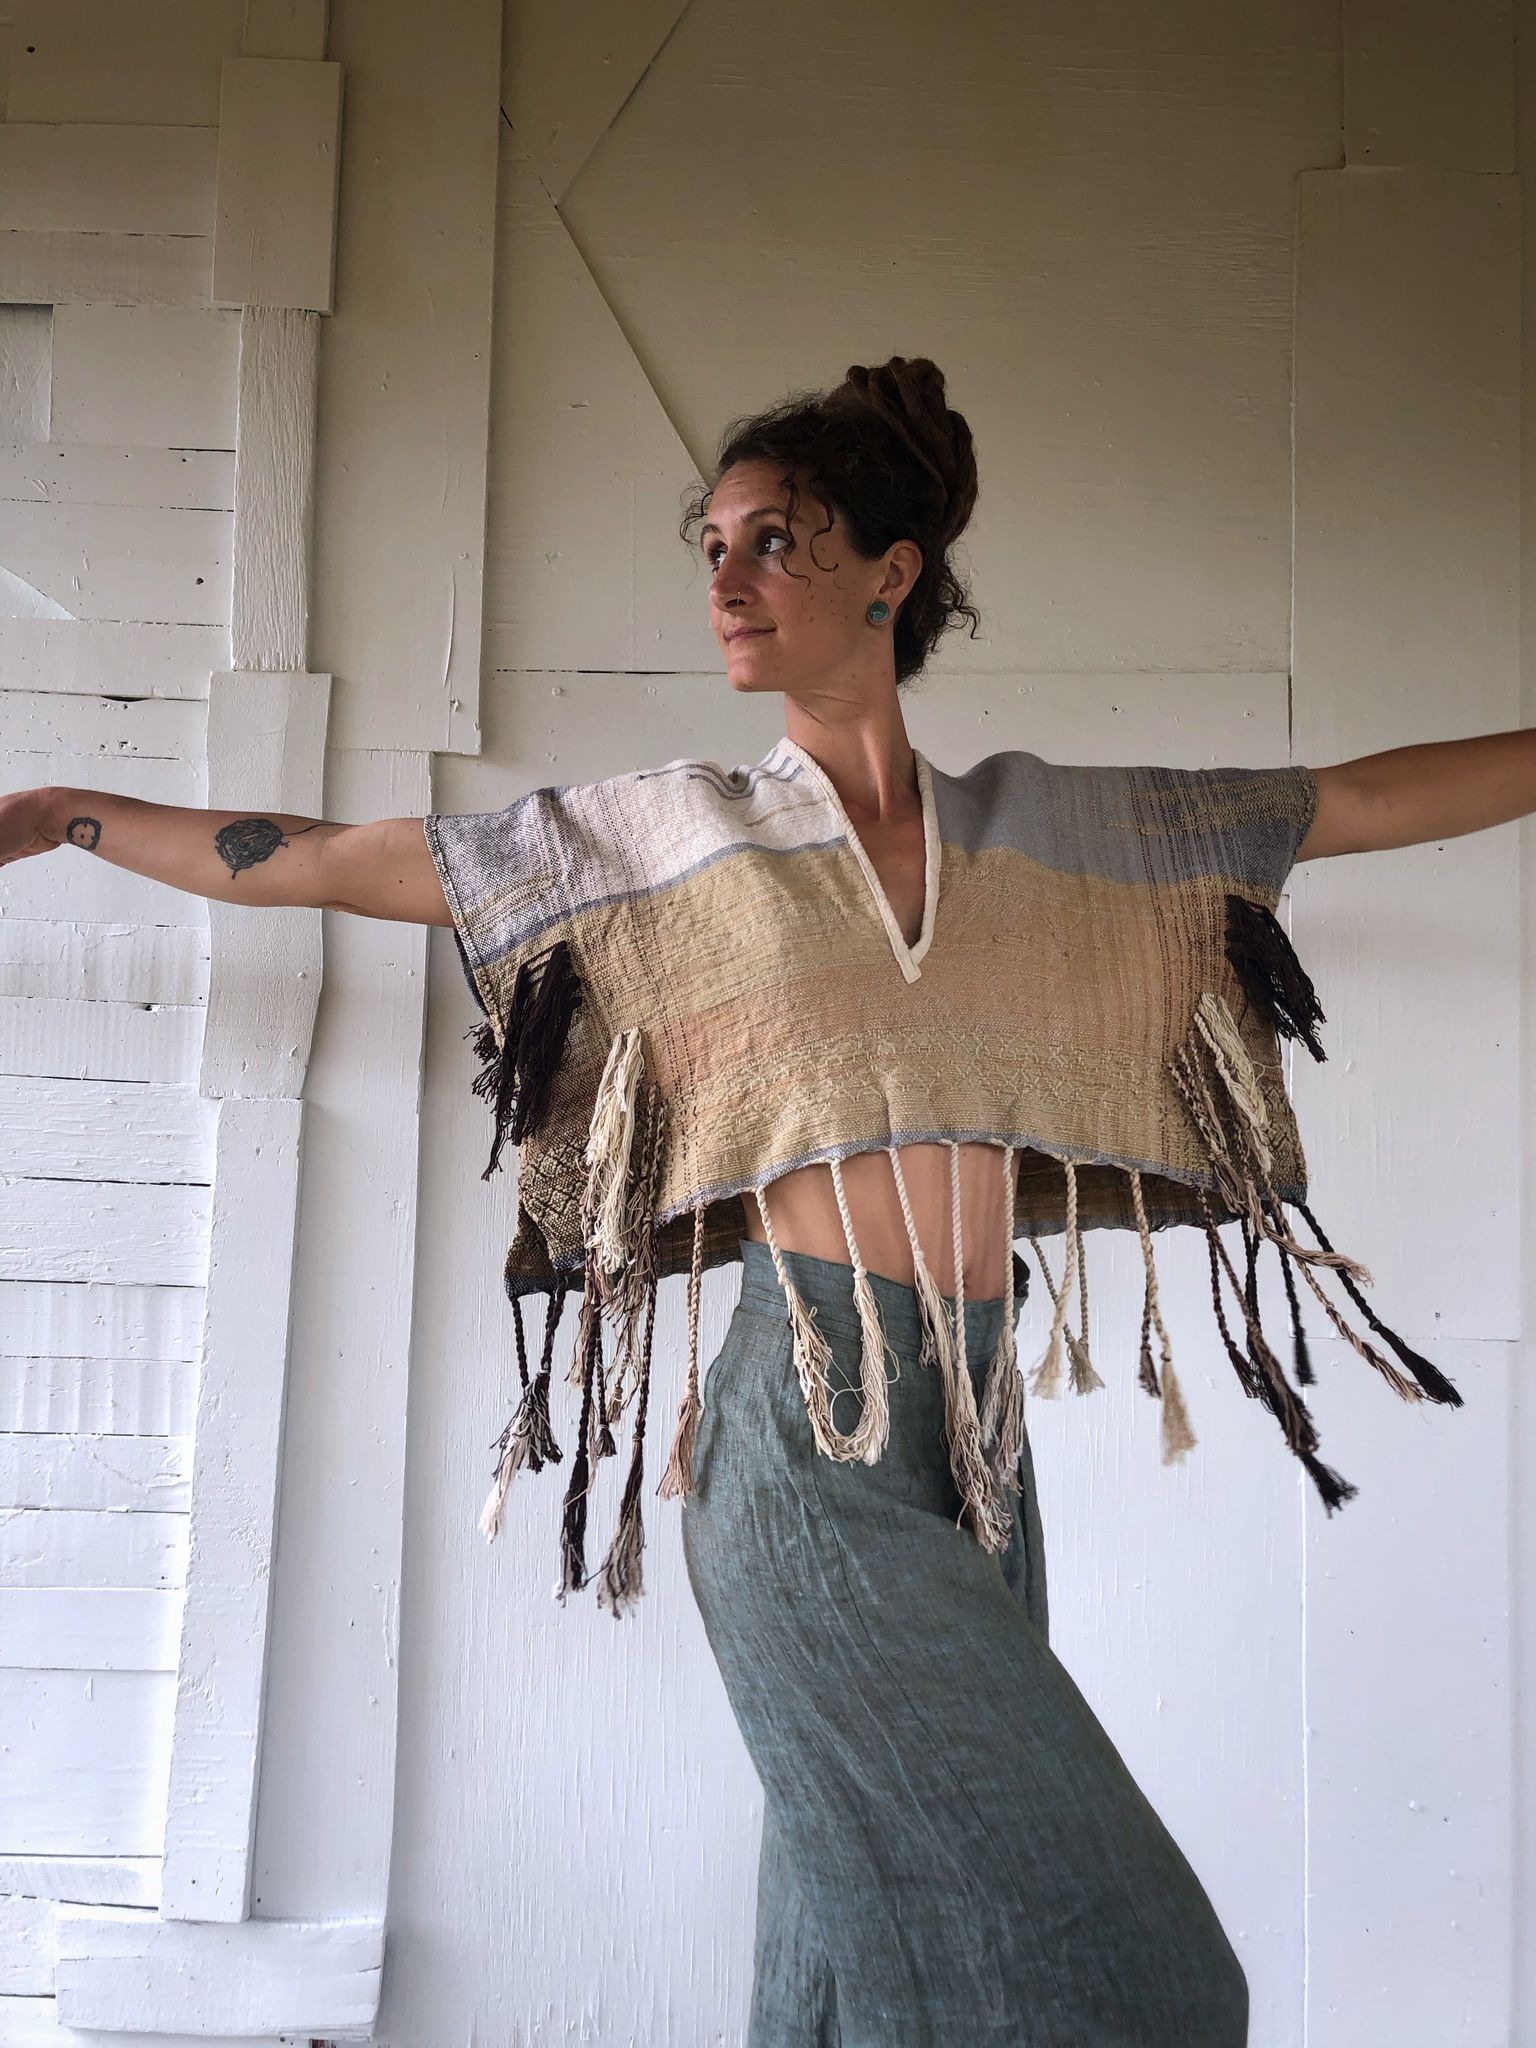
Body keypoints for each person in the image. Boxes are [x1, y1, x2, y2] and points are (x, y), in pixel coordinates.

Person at [2, 354, 1520, 2045]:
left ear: (894, 571)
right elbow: (349, 858)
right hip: (802, 1455)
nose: (727, 580)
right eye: (711, 545)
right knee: (1137, 1981)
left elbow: (1363, 800)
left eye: (776, 540)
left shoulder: (1045, 836)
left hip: (980, 1452)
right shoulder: (678, 835)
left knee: (848, 1981)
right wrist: (61, 810)